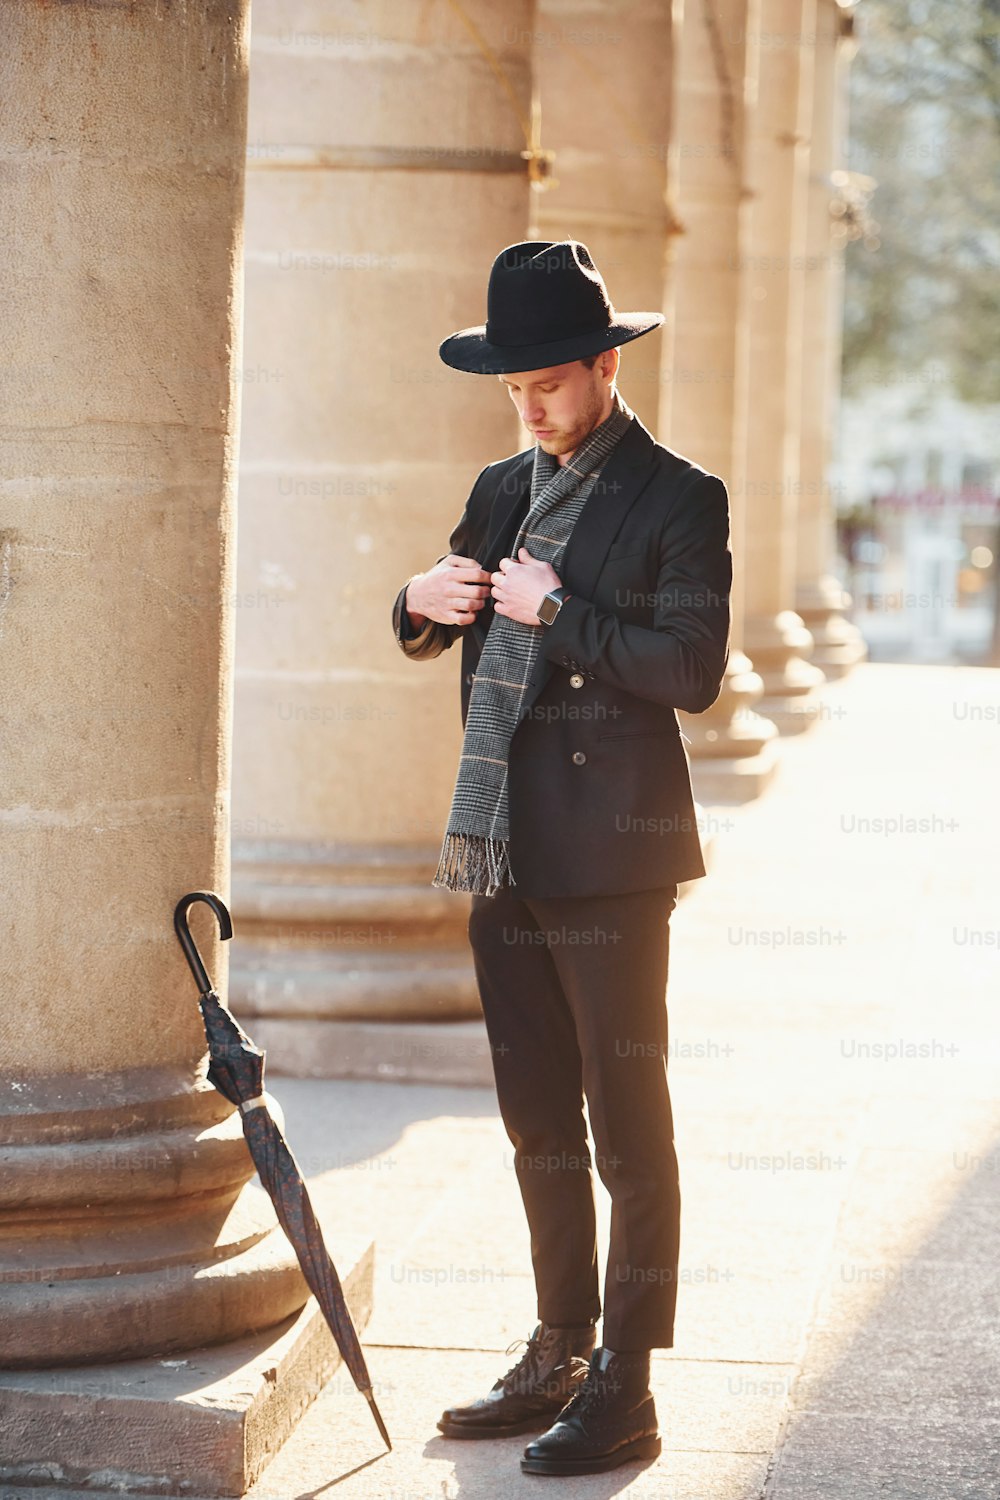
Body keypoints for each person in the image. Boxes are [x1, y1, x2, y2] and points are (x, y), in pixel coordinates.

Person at [390, 240, 732, 1478]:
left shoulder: (680, 496)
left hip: (615, 857)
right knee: (536, 1117)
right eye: (511, 387)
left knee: (626, 1123)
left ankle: (627, 1384)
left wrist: (559, 618)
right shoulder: (499, 484)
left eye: (547, 380)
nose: (528, 405)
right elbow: (450, 615)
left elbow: (689, 671)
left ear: (601, 365)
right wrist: (417, 603)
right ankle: (556, 1346)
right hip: (506, 848)